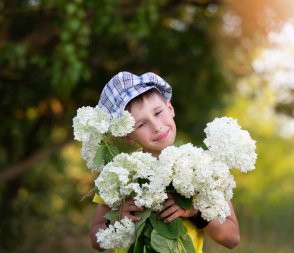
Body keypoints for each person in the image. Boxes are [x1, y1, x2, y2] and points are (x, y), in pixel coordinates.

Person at [89, 71, 240, 252]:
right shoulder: (120, 174)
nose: (157, 126)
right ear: (128, 136)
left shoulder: (204, 166)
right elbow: (95, 241)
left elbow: (232, 237)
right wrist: (117, 220)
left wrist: (194, 211)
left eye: (158, 113)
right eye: (141, 124)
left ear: (170, 108)